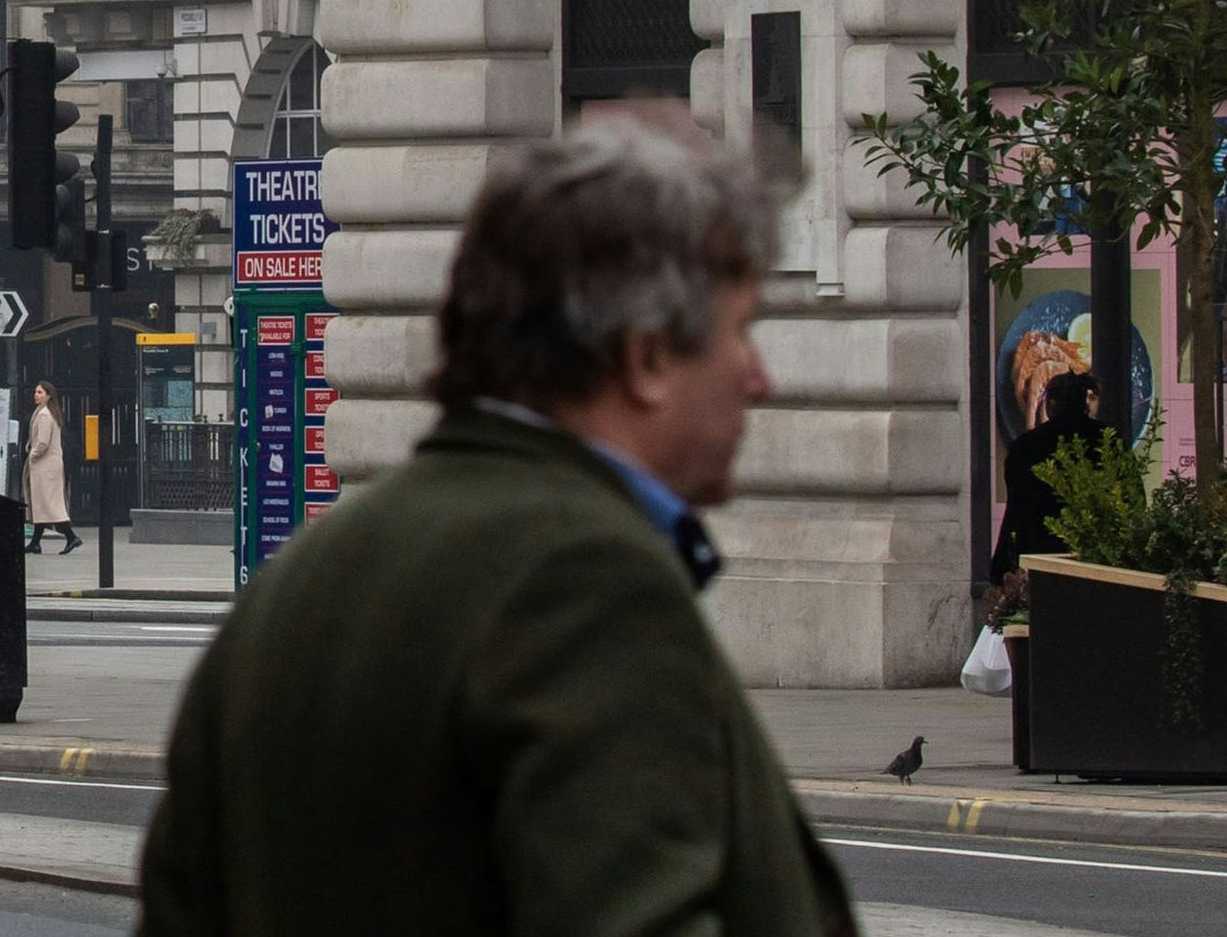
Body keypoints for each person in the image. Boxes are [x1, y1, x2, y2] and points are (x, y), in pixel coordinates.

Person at [138, 100, 855, 937]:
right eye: (741, 334)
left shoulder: (296, 584)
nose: (759, 377)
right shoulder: (586, 586)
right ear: (648, 356)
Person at [988, 370, 1102, 585]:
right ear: (1084, 404)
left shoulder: (1026, 446)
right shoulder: (1107, 440)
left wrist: (1001, 569)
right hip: (1095, 562)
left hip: (1038, 558)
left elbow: (1017, 509)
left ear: (1051, 404)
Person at [25, 381, 77, 553]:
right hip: (47, 466)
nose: (36, 394)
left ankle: (71, 536)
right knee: (42, 503)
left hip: (45, 466)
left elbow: (43, 442)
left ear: (48, 395)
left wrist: (32, 455)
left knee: (50, 504)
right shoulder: (44, 412)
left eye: (39, 392)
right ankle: (35, 542)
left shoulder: (45, 415)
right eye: (35, 391)